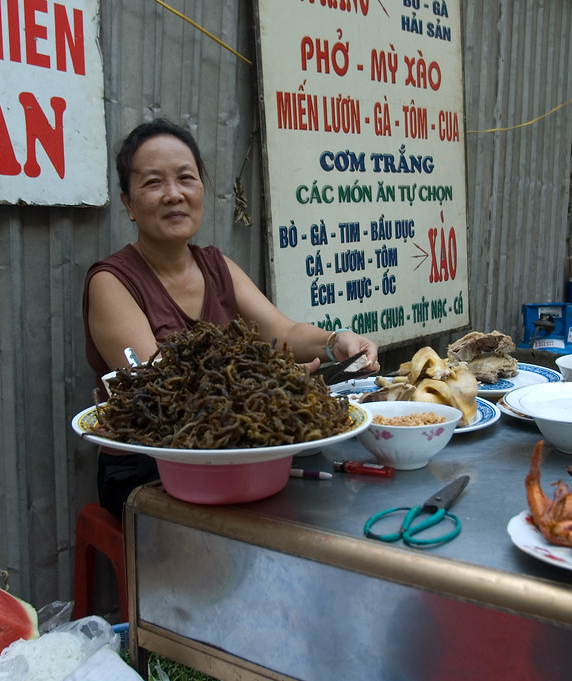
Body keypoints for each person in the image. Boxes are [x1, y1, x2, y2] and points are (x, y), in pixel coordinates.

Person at [83, 119, 379, 518]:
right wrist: (279, 382)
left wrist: (334, 342)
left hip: (234, 454)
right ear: (128, 203)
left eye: (186, 178)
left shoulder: (215, 265)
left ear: (202, 189)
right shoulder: (111, 281)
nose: (174, 194)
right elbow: (157, 392)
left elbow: (282, 333)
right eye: (153, 183)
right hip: (150, 471)